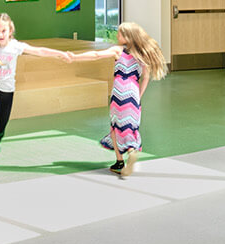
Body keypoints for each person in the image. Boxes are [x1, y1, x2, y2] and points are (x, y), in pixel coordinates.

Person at [0, 13, 70, 165]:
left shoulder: (16, 46)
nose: (0, 34)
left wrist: (60, 54)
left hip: (7, 93)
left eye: (3, 31)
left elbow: (40, 51)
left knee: (0, 128)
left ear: (10, 31)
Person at [67, 22, 167, 177]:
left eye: (119, 33)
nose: (117, 35)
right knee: (130, 126)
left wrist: (75, 57)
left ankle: (120, 162)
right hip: (133, 91)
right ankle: (131, 150)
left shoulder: (118, 50)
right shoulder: (142, 53)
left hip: (119, 90)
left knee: (115, 126)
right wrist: (138, 96)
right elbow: (146, 77)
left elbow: (96, 55)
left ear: (127, 36)